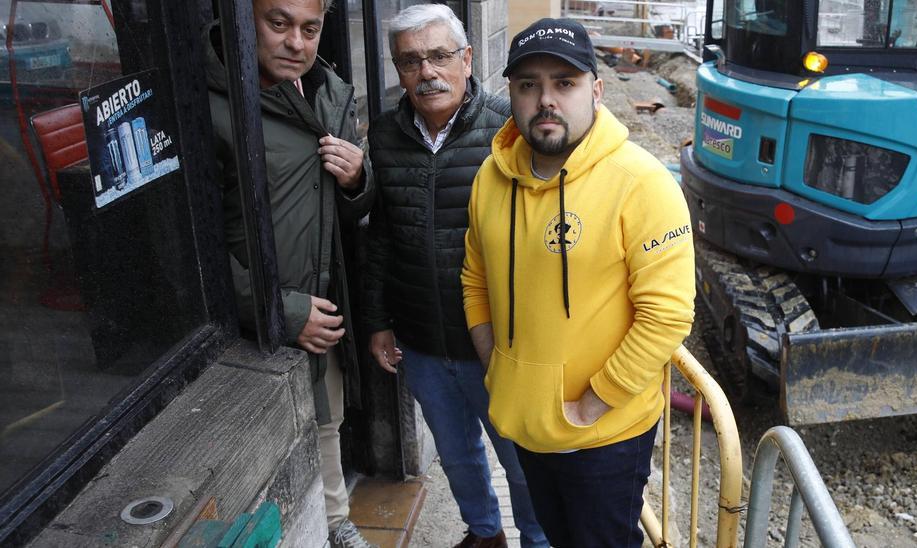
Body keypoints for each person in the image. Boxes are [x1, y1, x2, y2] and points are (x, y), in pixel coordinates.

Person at [460, 18, 695, 547]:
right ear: (512, 94)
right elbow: (475, 275)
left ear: (596, 89)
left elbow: (668, 316)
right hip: (526, 421)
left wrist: (594, 402)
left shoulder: (642, 184)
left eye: (563, 83)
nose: (546, 100)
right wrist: (495, 365)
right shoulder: (490, 178)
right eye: (528, 85)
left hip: (604, 437)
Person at [361, 5, 546, 548]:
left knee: (520, 461)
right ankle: (484, 533)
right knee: (456, 455)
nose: (427, 72)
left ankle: (537, 540)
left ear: (467, 59)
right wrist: (377, 321)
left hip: (499, 345)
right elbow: (382, 237)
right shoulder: (385, 136)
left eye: (439, 55)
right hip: (421, 339)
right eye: (411, 61)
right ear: (398, 71)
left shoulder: (509, 131)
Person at [205, 1, 375, 546]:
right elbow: (191, 247)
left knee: (328, 418)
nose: (296, 44)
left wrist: (356, 181)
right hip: (258, 319)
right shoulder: (206, 106)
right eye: (277, 24)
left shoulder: (326, 92)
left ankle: (336, 523)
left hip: (321, 299)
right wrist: (278, 308)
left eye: (310, 28)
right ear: (240, 18)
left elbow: (336, 211)